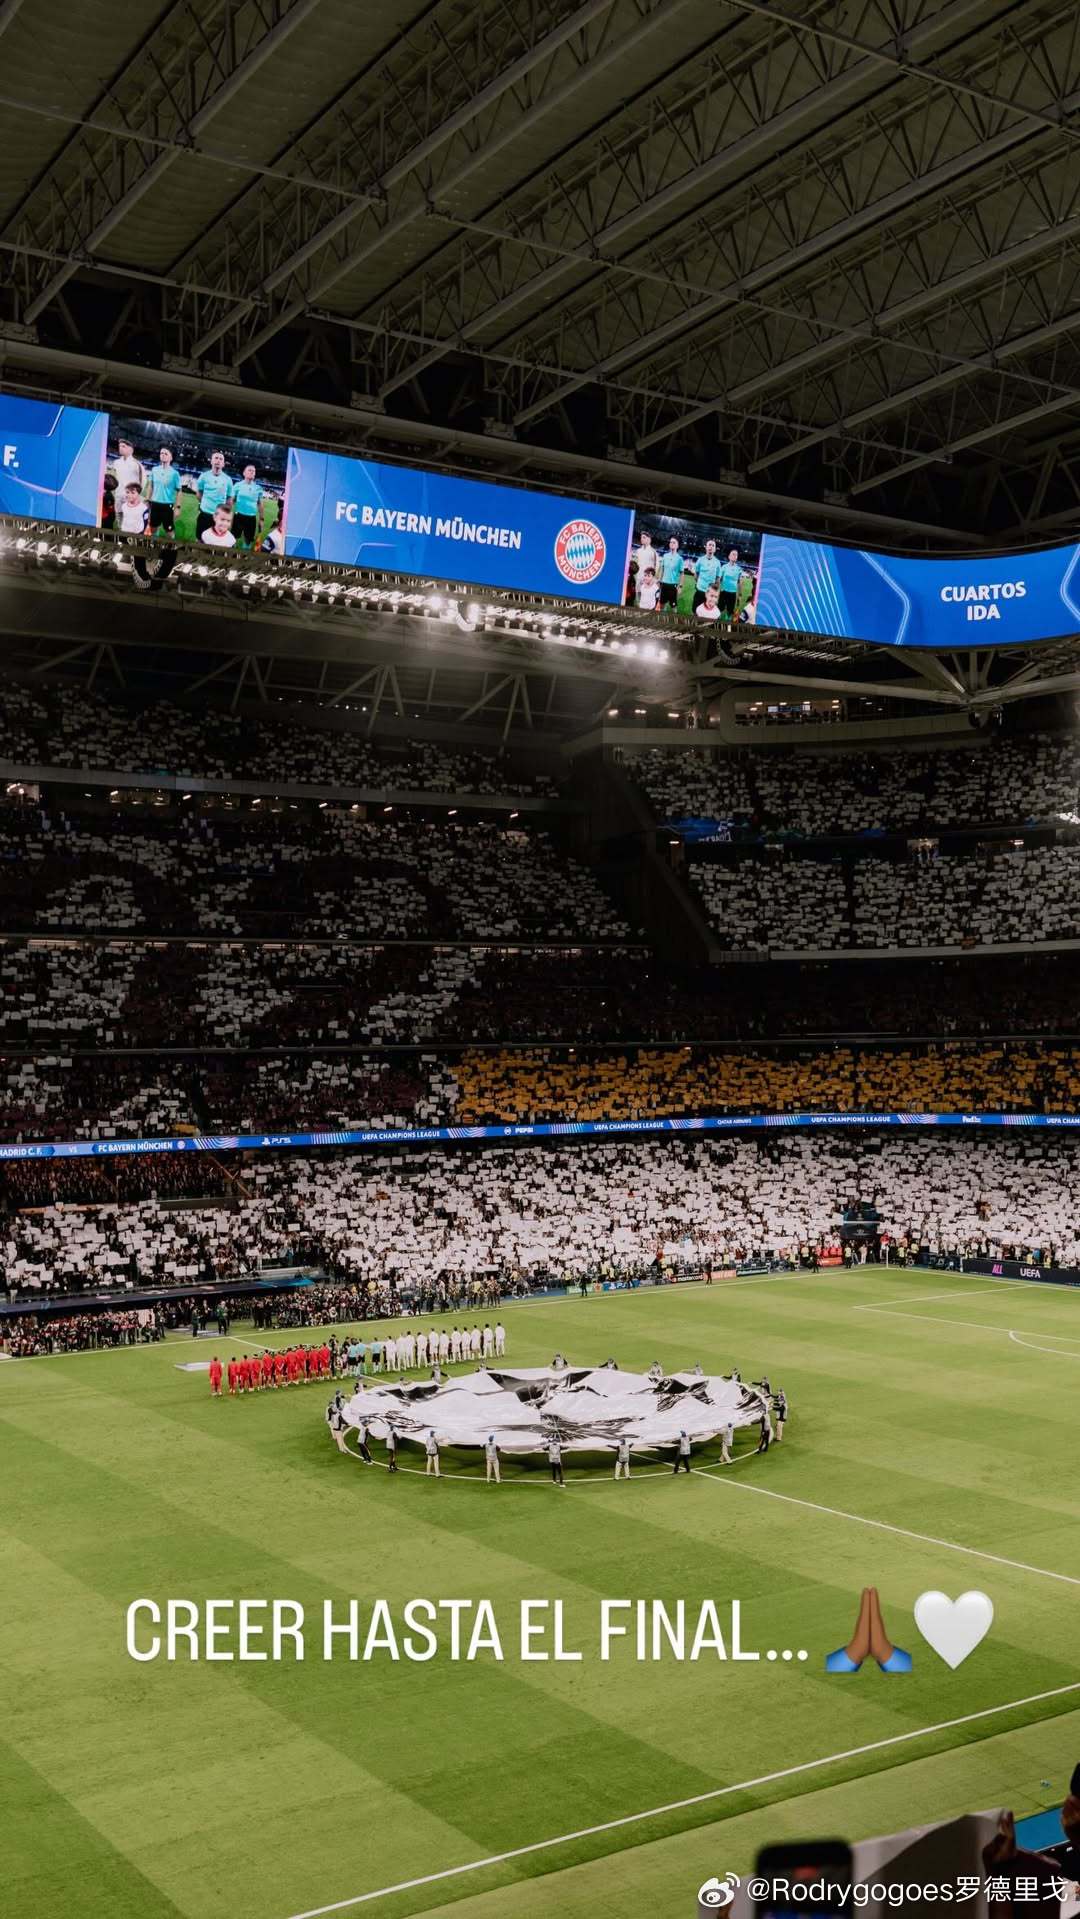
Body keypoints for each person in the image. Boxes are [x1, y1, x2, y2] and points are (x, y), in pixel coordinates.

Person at [194, 450, 234, 541]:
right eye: (216, 458)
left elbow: (229, 500)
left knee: (216, 541)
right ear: (211, 461)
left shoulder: (228, 480)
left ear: (223, 464)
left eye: (221, 459)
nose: (218, 460)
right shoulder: (203, 476)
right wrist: (204, 504)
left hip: (219, 517)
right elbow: (199, 493)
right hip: (204, 514)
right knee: (199, 539)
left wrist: (226, 515)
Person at [146, 447, 181, 537]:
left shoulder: (175, 473)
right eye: (161, 453)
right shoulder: (154, 470)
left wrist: (177, 507)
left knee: (169, 530)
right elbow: (150, 486)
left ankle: (170, 547)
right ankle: (154, 545)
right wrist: (147, 500)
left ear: (171, 457)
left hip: (167, 505)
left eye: (166, 453)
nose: (163, 455)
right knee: (153, 527)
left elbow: (179, 491)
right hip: (155, 504)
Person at [231, 463, 264, 548]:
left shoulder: (258, 488)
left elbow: (260, 504)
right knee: (233, 538)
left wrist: (261, 519)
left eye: (254, 471)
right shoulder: (237, 485)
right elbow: (232, 501)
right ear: (244, 473)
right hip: (238, 516)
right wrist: (227, 514)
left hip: (251, 518)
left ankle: (244, 556)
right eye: (250, 470)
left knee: (248, 539)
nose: (252, 472)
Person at [693, 537, 722, 610]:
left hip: (710, 593)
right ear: (706, 547)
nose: (711, 547)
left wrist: (716, 592)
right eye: (709, 545)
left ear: (715, 549)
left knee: (707, 612)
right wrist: (699, 583)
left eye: (713, 545)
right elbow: (696, 574)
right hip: (700, 590)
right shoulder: (700, 560)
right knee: (695, 611)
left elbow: (718, 579)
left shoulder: (717, 562)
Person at [717, 548, 743, 621]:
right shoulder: (724, 567)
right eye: (733, 554)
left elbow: (740, 582)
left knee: (730, 612)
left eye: (736, 555)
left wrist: (740, 595)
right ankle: (715, 624)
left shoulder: (739, 569)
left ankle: (727, 627)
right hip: (723, 592)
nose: (735, 556)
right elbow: (719, 580)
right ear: (729, 556)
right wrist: (718, 592)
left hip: (732, 594)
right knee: (719, 610)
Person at [658, 536, 683, 609]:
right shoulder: (665, 556)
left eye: (674, 542)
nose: (671, 544)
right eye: (670, 542)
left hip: (673, 586)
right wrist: (659, 580)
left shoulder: (680, 559)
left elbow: (682, 573)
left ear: (677, 545)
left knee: (673, 606)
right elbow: (662, 569)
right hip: (664, 584)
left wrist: (680, 586)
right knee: (661, 604)